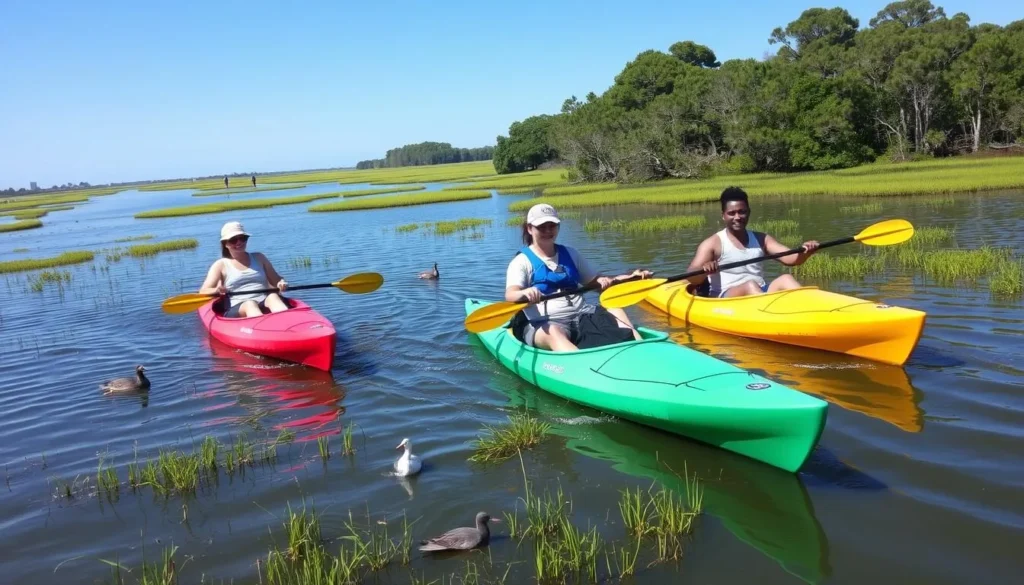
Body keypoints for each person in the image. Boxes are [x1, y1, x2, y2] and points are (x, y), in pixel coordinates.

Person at [506, 203, 653, 352]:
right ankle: (581, 367)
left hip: (581, 314)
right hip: (544, 323)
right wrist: (524, 293)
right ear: (530, 229)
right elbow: (511, 294)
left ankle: (639, 349)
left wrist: (631, 277)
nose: (547, 231)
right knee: (554, 333)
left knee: (615, 308)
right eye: (541, 227)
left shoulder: (571, 253)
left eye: (552, 226)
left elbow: (594, 283)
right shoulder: (521, 261)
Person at [685, 187, 819, 298]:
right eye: (731, 213)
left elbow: (791, 259)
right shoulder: (712, 243)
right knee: (750, 285)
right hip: (726, 298)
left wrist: (806, 252)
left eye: (741, 212)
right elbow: (692, 276)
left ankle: (814, 309)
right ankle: (770, 315)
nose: (737, 217)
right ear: (723, 215)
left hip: (760, 292)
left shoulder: (762, 239)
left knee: (786, 279)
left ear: (748, 212)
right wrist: (704, 270)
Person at [199, 221, 290, 318]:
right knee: (250, 304)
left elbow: (277, 280)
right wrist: (217, 290)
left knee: (273, 297)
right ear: (225, 244)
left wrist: (282, 283)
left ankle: (287, 323)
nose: (239, 242)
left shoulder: (259, 257)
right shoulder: (220, 265)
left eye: (242, 238)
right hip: (238, 307)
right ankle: (261, 328)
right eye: (233, 240)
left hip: (263, 302)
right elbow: (204, 291)